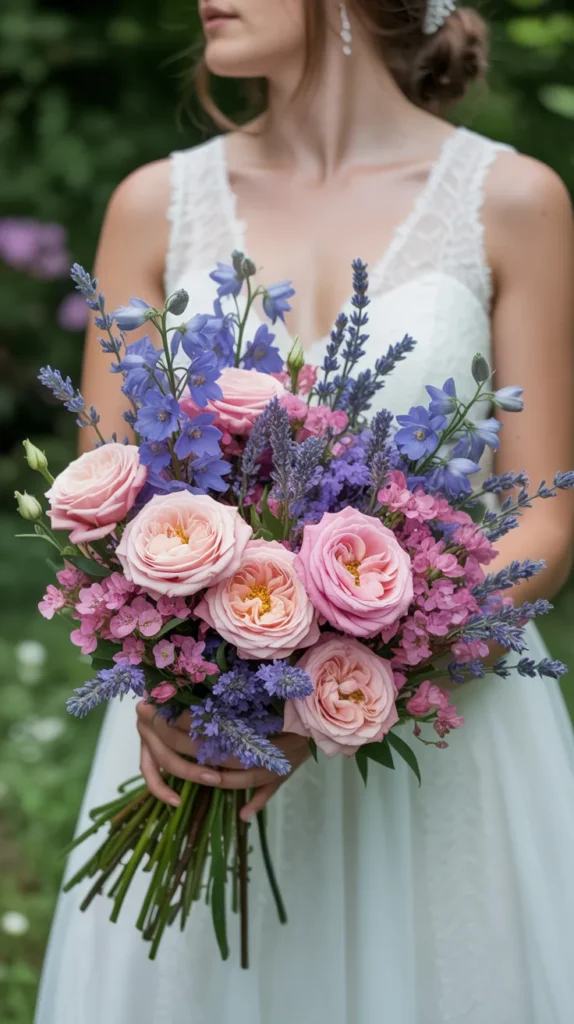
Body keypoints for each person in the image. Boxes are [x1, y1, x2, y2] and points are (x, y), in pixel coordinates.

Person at [36, 1, 574, 1021]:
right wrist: (190, 683)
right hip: (195, 732)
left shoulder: (512, 200)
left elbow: (544, 518)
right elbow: (98, 497)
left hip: (441, 745)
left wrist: (351, 678)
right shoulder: (153, 204)